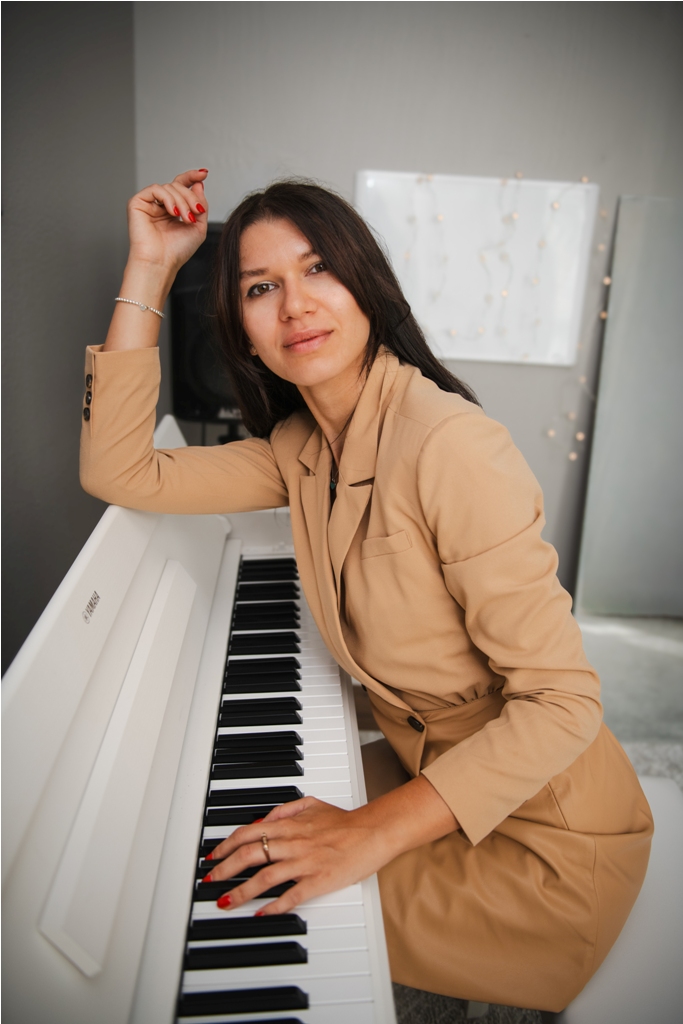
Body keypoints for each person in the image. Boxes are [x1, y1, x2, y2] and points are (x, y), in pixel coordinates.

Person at [80, 168, 652, 1014]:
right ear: (242, 332)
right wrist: (151, 268)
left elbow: (563, 704)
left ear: (367, 286)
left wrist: (365, 833)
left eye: (318, 269)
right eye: (261, 288)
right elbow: (120, 471)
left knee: (255, 905)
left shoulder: (450, 445)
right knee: (234, 845)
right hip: (436, 771)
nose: (295, 306)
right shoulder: (301, 445)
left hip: (547, 840)